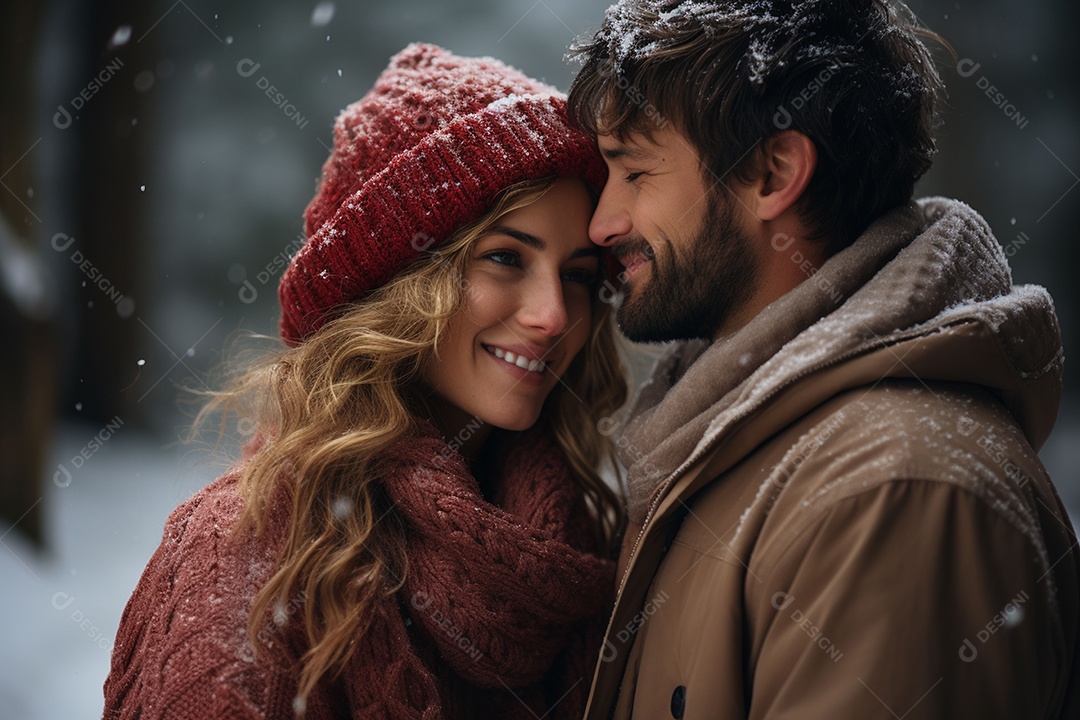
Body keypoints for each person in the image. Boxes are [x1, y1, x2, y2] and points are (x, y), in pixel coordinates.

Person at [565, 1, 1080, 718]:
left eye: (634, 172)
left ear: (774, 174)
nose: (602, 222)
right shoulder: (745, 445)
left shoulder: (894, 492)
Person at [102, 43, 628, 720]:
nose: (553, 314)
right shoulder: (244, 555)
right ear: (396, 283)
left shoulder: (580, 550)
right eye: (504, 258)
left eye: (579, 275)